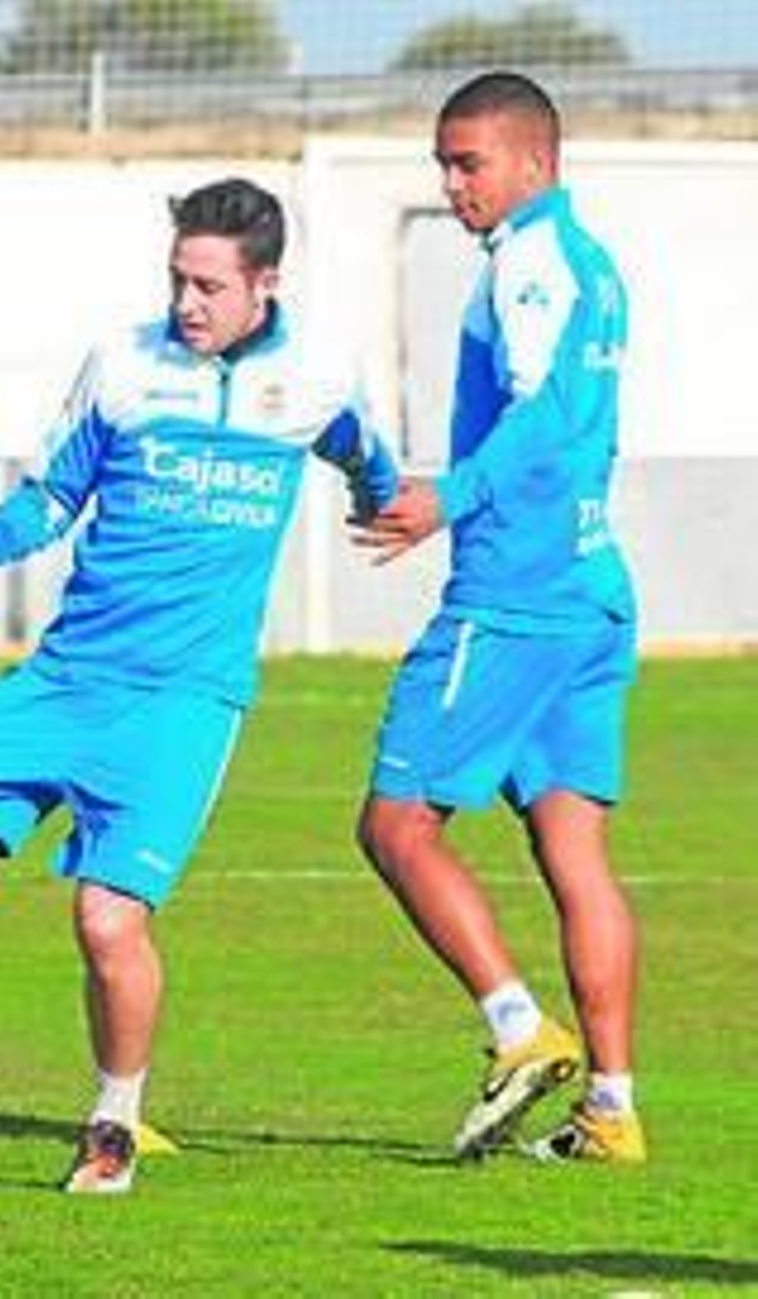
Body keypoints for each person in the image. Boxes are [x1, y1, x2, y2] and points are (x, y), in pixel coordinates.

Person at [0, 178, 398, 1193]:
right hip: (70, 676)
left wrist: (391, 509)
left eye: (209, 284)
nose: (187, 302)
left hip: (183, 703)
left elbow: (367, 460)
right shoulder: (123, 366)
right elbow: (52, 496)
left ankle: (114, 1120)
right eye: (177, 278)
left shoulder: (315, 380)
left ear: (264, 283)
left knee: (107, 920)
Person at [353, 71, 643, 1165]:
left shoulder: (530, 260)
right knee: (575, 853)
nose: (452, 182)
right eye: (443, 161)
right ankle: (611, 1111)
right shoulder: (594, 267)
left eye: (468, 161)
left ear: (535, 159)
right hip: (591, 588)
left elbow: (546, 414)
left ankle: (519, 1032)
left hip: (514, 598)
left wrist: (449, 497)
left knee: (394, 825)